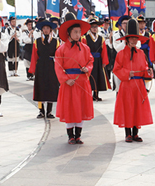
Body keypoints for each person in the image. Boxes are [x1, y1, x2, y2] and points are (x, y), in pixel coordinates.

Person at [54, 13, 94, 144]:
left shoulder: (85, 48)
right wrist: (65, 79)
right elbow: (58, 66)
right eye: (75, 32)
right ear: (69, 33)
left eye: (79, 32)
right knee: (70, 108)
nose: (78, 35)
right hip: (69, 83)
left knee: (81, 108)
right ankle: (70, 136)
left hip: (82, 81)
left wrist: (88, 68)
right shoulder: (61, 49)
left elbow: (90, 61)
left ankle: (78, 135)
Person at [113, 18, 153, 142]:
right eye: (132, 38)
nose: (134, 40)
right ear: (127, 39)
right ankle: (128, 133)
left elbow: (145, 68)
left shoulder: (141, 53)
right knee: (128, 108)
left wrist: (148, 72)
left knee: (137, 108)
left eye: (136, 38)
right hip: (127, 85)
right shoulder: (120, 54)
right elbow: (116, 69)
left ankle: (135, 133)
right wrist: (127, 73)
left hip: (139, 85)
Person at [29, 18, 60, 119]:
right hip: (41, 66)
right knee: (40, 87)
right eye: (44, 28)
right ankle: (41, 111)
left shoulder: (56, 41)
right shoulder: (37, 41)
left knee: (51, 87)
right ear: (41, 30)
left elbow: (58, 56)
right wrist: (33, 69)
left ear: (51, 30)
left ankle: (50, 111)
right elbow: (34, 56)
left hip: (51, 66)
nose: (46, 30)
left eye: (48, 28)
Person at [83, 16, 110, 101]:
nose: (94, 29)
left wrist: (104, 61)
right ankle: (89, 94)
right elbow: (84, 51)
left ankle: (96, 94)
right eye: (93, 27)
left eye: (96, 27)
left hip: (98, 60)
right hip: (89, 61)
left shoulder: (101, 38)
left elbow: (104, 51)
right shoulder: (85, 38)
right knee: (90, 77)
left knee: (98, 76)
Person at [137, 16, 153, 91]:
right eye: (140, 23)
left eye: (143, 23)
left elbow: (150, 45)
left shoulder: (148, 34)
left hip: (146, 53)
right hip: (138, 53)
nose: (142, 25)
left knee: (147, 69)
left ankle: (146, 87)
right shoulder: (136, 33)